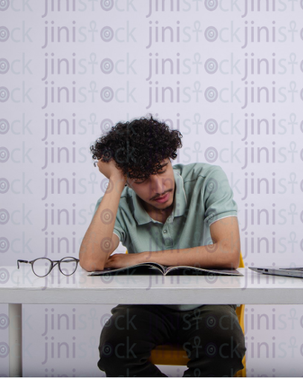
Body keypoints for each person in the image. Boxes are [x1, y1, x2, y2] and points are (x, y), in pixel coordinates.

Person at [79, 116, 246, 376]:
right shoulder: (118, 199)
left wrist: (142, 257)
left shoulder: (207, 179)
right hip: (145, 303)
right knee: (115, 349)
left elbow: (228, 253)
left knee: (222, 346)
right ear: (128, 180)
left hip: (206, 301)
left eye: (161, 169)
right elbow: (91, 261)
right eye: (142, 179)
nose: (158, 187)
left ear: (171, 159)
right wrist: (115, 182)